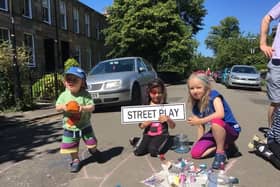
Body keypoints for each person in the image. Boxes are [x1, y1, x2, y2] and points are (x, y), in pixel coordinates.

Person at [186, 72, 241, 169]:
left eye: (199, 87)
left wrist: (200, 121)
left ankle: (220, 154)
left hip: (230, 130)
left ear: (206, 87)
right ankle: (227, 146)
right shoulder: (196, 106)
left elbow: (220, 114)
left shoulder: (214, 95)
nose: (195, 91)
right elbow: (200, 126)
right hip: (216, 131)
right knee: (196, 153)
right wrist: (199, 143)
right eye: (192, 88)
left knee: (216, 121)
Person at [56, 66, 100, 172]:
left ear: (82, 82)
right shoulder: (63, 95)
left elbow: (92, 107)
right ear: (65, 82)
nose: (71, 82)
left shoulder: (85, 95)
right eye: (68, 79)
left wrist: (83, 108)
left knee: (92, 143)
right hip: (70, 127)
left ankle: (93, 150)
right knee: (71, 146)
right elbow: (57, 107)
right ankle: (75, 160)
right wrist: (63, 107)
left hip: (85, 125)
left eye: (75, 80)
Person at [130, 78, 176, 157]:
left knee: (153, 150)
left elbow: (173, 126)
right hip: (148, 134)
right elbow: (141, 126)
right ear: (149, 92)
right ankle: (138, 140)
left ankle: (168, 140)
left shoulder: (166, 106)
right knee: (138, 152)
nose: (157, 95)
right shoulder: (145, 107)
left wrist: (168, 119)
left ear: (163, 93)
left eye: (159, 92)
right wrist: (146, 123)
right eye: (154, 93)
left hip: (161, 134)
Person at [260, 2, 280, 128]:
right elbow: (267, 19)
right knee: (277, 102)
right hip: (278, 61)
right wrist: (263, 43)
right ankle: (272, 135)